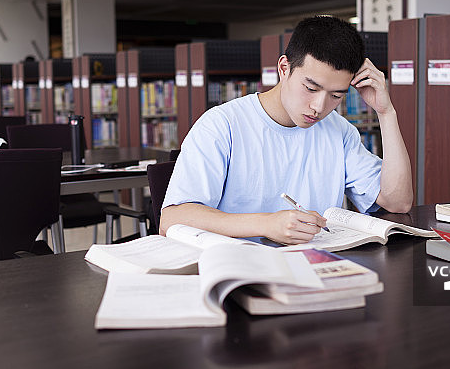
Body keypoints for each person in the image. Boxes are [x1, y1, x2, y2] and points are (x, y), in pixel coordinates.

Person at [160, 15, 413, 245]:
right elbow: (171, 219)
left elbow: (397, 202)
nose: (319, 107)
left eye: (336, 96)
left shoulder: (340, 131)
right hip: (240, 271)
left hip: (319, 268)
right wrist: (267, 224)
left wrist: (386, 112)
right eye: (311, 88)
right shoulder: (222, 125)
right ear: (284, 68)